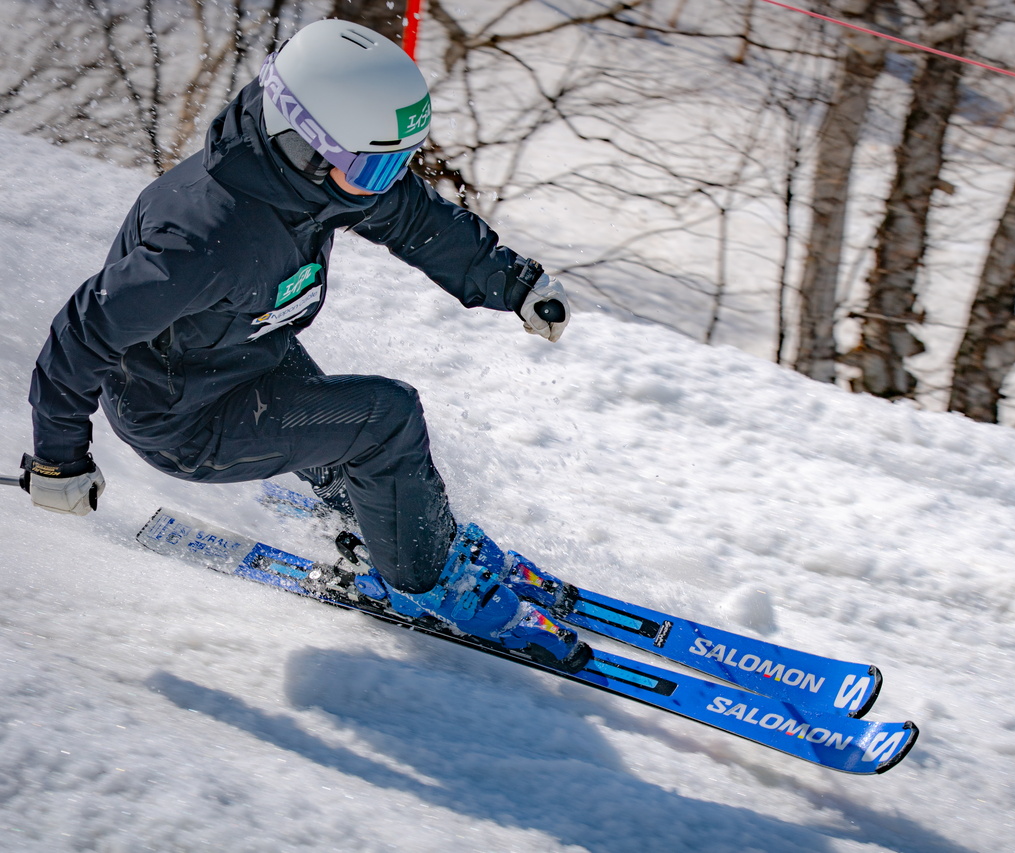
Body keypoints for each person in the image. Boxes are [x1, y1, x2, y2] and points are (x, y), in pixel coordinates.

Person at [22, 19, 590, 671]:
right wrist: (58, 461)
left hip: (242, 355)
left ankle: (395, 532)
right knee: (386, 420)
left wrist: (512, 284)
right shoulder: (205, 238)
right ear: (304, 143)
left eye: (398, 159)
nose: (386, 180)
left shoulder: (318, 177)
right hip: (183, 419)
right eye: (376, 164)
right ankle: (429, 581)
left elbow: (411, 216)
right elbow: (84, 332)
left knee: (355, 435)